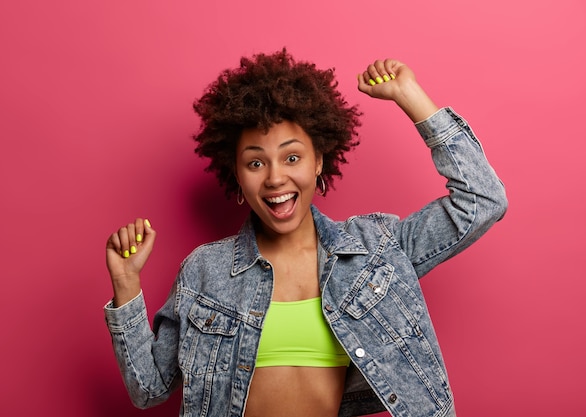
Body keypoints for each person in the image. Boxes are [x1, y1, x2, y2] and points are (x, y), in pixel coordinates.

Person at [104, 49, 507, 417]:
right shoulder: (204, 271)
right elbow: (149, 390)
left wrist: (411, 96)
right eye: (256, 163)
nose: (276, 178)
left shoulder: (375, 251)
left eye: (292, 157)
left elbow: (482, 201)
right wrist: (125, 284)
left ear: (319, 162)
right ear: (237, 176)